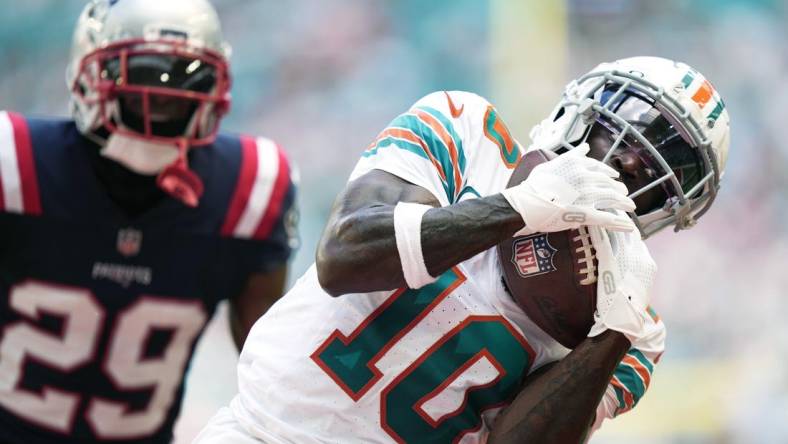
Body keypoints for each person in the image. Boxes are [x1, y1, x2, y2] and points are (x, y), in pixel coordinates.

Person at [195, 56, 730, 443]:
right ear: (582, 111)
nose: (628, 163)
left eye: (661, 165)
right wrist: (520, 208)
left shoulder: (635, 328)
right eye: (623, 133)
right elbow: (344, 256)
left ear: (672, 205)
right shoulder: (467, 132)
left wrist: (610, 336)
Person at [0, 1, 297, 443]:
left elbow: (269, 366)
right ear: (87, 72)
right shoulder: (14, 161)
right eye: (143, 74)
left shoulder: (251, 186)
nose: (163, 97)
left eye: (187, 76)